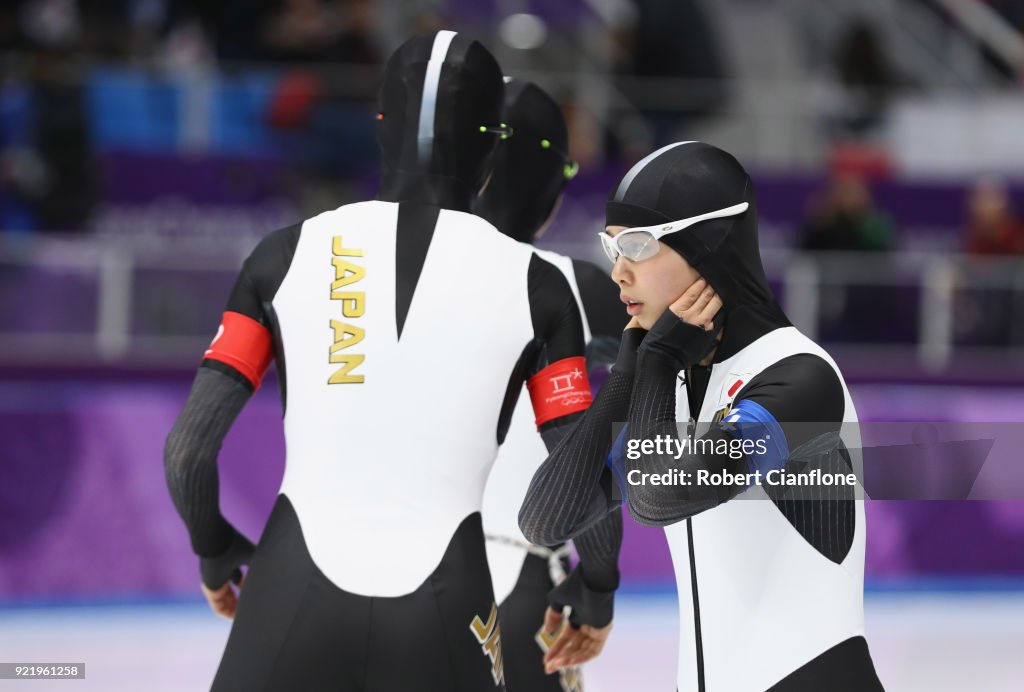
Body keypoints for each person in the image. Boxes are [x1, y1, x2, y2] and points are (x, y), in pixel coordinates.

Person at [164, 31, 599, 691]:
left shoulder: (284, 254)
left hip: (289, 594)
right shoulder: (540, 288)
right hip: (447, 605)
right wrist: (600, 584)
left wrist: (215, 547)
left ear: (381, 130)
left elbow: (188, 454)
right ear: (490, 144)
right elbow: (577, 488)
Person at [519, 141, 884, 691]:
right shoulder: (673, 389)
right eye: (612, 248)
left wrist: (658, 363)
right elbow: (544, 521)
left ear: (707, 245)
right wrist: (626, 378)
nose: (618, 272)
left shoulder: (800, 380)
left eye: (638, 246)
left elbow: (655, 498)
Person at [472, 78, 627, 690]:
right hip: (526, 580)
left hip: (379, 575)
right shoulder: (582, 289)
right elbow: (587, 458)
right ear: (554, 186)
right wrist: (599, 581)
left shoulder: (386, 274)